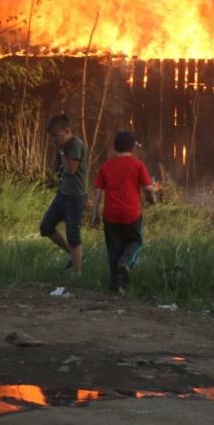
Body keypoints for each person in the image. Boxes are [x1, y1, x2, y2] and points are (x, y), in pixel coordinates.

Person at [91, 131, 159, 292]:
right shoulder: (138, 165)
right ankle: (126, 262)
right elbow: (149, 189)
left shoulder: (106, 166)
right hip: (131, 214)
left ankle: (115, 284)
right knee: (136, 242)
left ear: (115, 147)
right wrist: (153, 200)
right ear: (132, 148)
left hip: (111, 215)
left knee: (114, 249)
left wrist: (94, 214)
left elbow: (98, 192)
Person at [40, 113, 88, 275]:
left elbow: (71, 169)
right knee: (46, 226)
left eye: (56, 136)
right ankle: (76, 257)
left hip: (76, 196)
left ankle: (77, 272)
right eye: (52, 137)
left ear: (67, 131)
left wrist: (61, 151)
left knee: (73, 234)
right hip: (63, 193)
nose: (54, 139)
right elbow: (54, 169)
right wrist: (58, 150)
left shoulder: (75, 145)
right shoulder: (62, 147)